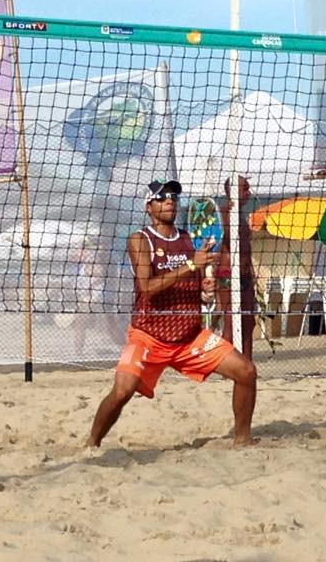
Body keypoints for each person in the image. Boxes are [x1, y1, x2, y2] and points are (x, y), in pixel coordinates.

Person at [85, 179, 258, 449]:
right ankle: (92, 443)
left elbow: (196, 286)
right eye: (162, 197)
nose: (169, 201)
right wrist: (191, 265)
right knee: (122, 391)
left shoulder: (189, 240)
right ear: (149, 207)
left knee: (246, 371)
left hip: (189, 337)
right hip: (148, 337)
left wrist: (205, 290)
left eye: (173, 197)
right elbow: (147, 287)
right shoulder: (140, 240)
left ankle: (243, 440)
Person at [216, 176, 256, 360]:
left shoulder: (241, 215)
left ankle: (247, 365)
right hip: (228, 274)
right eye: (244, 188)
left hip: (245, 276)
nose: (248, 193)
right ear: (232, 192)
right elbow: (224, 236)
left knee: (249, 322)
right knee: (231, 322)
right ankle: (227, 366)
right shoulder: (225, 213)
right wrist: (230, 215)